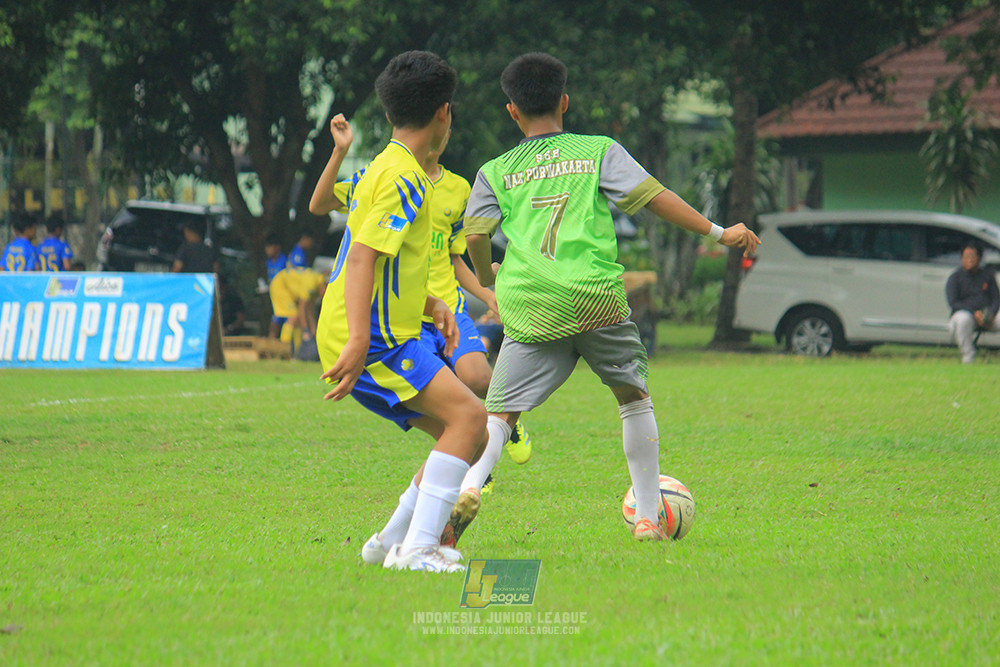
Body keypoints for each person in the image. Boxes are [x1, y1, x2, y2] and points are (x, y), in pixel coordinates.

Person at [455, 52, 760, 545]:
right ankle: (646, 517)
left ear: (511, 111)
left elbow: (474, 234)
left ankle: (470, 485)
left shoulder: (494, 171)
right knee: (633, 399)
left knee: (502, 414)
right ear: (565, 101)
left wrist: (488, 274)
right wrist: (719, 232)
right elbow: (654, 196)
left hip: (532, 302)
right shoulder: (597, 150)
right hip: (595, 296)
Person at [314, 51, 484, 573]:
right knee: (472, 418)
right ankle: (416, 550)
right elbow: (363, 257)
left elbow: (381, 258)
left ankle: (386, 542)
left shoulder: (383, 169)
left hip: (372, 328)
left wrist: (431, 302)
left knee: (459, 441)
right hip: (373, 337)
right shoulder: (407, 178)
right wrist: (361, 342)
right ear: (443, 114)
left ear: (389, 114)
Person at [309, 112, 533, 502]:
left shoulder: (458, 189)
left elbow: (456, 256)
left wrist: (487, 293)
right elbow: (321, 205)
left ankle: (503, 425)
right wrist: (340, 152)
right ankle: (457, 479)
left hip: (442, 306)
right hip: (398, 316)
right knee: (463, 426)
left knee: (479, 381)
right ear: (439, 120)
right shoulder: (385, 177)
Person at [946, 241, 1000, 363]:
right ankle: (968, 356)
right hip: (966, 314)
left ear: (980, 258)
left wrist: (990, 314)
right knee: (962, 319)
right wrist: (974, 312)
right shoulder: (955, 278)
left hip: (987, 316)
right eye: (966, 257)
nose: (970, 260)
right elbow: (953, 303)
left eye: (973, 256)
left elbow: (996, 298)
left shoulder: (988, 276)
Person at [264, 233, 289, 338]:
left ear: (277, 248)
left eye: (269, 247)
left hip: (286, 298)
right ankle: (271, 350)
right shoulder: (268, 262)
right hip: (276, 298)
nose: (267, 250)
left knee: (288, 324)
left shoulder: (285, 261)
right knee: (274, 325)